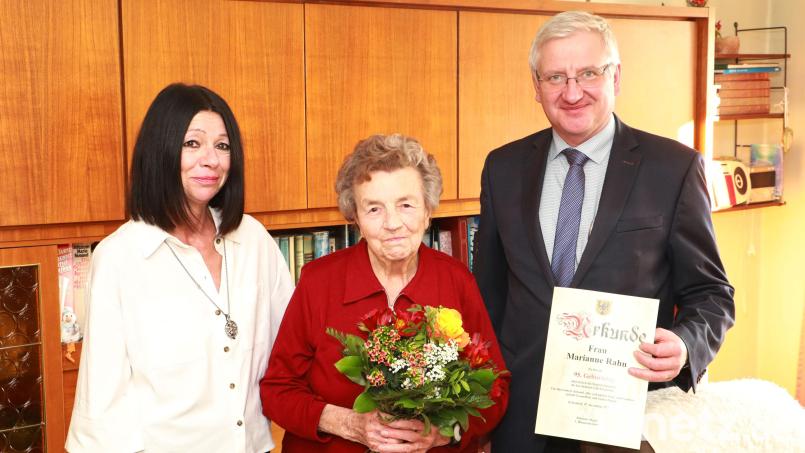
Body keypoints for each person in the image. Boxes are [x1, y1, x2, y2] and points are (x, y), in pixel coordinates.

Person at [472, 11, 735, 452]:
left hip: (621, 418)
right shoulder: (502, 168)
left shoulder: (673, 169)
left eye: (588, 73)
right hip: (521, 417)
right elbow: (488, 295)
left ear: (615, 78)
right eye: (555, 77)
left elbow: (711, 294)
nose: (572, 92)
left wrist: (686, 345)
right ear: (536, 87)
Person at [66, 83, 294, 452]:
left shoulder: (253, 239)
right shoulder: (120, 256)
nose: (212, 160)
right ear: (160, 151)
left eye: (222, 145)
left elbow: (294, 345)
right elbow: (102, 401)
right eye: (193, 143)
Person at [260, 134, 509, 452]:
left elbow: (496, 388)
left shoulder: (455, 279)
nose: (392, 223)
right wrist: (350, 424)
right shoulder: (318, 281)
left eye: (406, 205)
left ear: (427, 212)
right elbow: (277, 391)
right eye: (374, 209)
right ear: (356, 220)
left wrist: (445, 432)